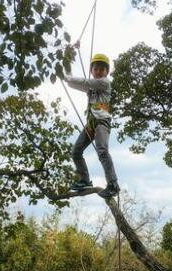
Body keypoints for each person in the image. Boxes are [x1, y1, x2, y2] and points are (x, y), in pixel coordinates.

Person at [64, 45, 120, 198]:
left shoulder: (104, 83)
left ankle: (113, 184)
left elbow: (77, 80)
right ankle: (84, 180)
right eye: (96, 68)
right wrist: (67, 58)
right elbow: (69, 82)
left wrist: (67, 63)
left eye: (102, 69)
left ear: (106, 72)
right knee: (76, 152)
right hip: (91, 124)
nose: (99, 71)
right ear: (92, 70)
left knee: (102, 151)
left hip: (102, 122)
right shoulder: (91, 87)